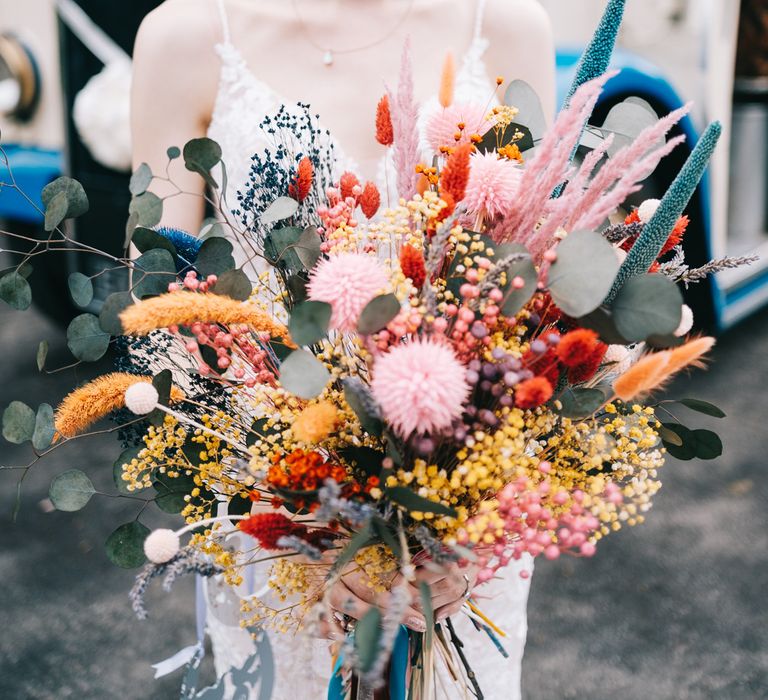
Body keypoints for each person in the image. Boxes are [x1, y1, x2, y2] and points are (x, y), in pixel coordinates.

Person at [131, 1, 555, 697]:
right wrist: (312, 518)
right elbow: (159, 321)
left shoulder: (508, 24)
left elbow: (536, 292)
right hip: (278, 513)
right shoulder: (189, 33)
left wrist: (461, 524)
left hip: (466, 528)